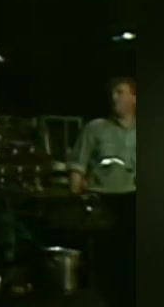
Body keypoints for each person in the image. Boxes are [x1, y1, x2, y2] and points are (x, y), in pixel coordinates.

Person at [68, 76, 136, 307]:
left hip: (132, 201)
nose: (114, 97)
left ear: (134, 98)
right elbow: (78, 164)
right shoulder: (95, 128)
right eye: (112, 92)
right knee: (105, 262)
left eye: (120, 92)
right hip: (102, 200)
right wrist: (77, 194)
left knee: (130, 260)